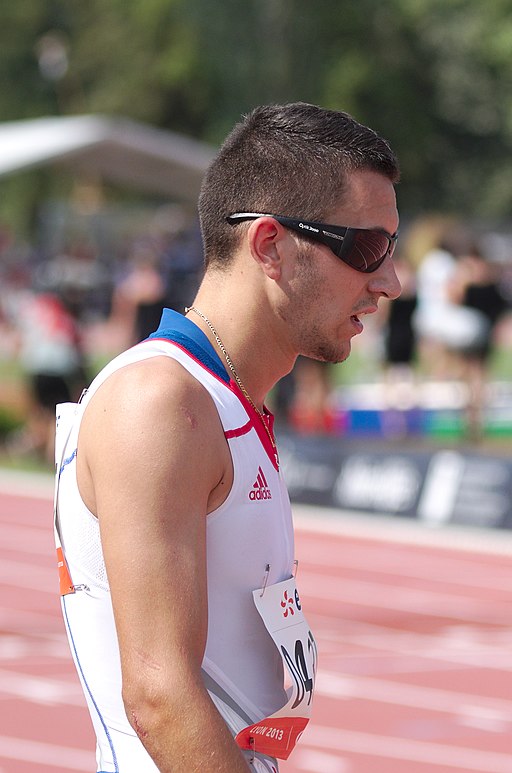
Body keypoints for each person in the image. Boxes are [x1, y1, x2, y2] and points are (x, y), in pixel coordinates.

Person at [54, 102, 401, 772]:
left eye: (392, 246)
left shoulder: (220, 401)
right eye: (366, 248)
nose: (389, 280)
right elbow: (159, 697)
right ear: (270, 244)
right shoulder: (161, 401)